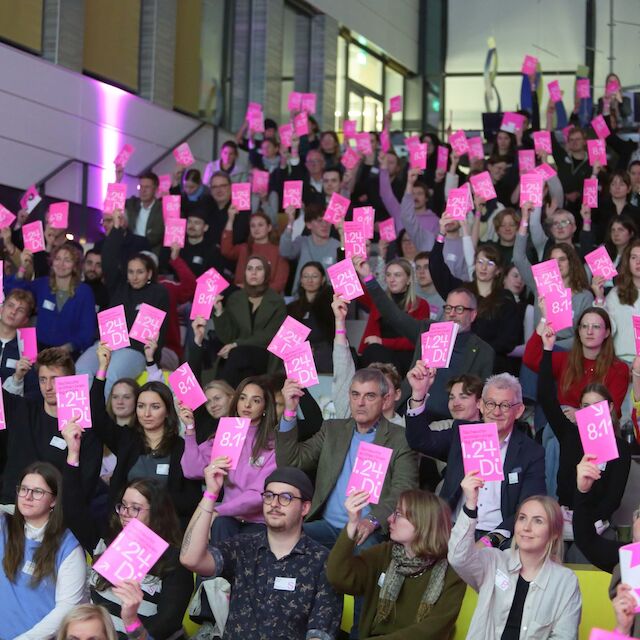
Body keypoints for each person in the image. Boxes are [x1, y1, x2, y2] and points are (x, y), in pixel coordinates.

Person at [62, 420, 193, 640]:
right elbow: (73, 509)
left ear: (157, 512)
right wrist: (73, 454)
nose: (125, 513)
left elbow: (166, 624)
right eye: (123, 506)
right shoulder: (105, 541)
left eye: (136, 508)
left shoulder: (175, 561)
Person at [180, 465, 343, 639]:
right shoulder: (243, 547)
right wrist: (211, 494)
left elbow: (319, 635)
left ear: (305, 508)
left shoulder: (323, 562)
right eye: (269, 496)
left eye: (286, 497)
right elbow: (190, 558)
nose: (274, 503)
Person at [276, 367, 419, 549]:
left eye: (370, 396)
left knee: (356, 566)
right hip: (327, 525)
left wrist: (372, 521)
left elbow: (404, 490)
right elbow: (290, 462)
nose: (360, 402)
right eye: (355, 394)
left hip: (369, 529)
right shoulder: (332, 430)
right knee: (283, 537)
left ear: (384, 401)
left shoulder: (400, 438)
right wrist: (289, 412)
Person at [406, 368, 546, 545]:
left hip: (499, 537)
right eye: (490, 404)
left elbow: (530, 505)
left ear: (518, 411)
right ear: (480, 405)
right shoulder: (462, 434)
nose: (496, 412)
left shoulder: (531, 452)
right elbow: (420, 441)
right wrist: (418, 395)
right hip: (454, 529)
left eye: (505, 405)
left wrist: (491, 539)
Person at [356, 254, 495, 419]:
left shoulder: (484, 352)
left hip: (449, 422)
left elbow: (483, 399)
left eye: (459, 309)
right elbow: (393, 315)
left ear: (473, 315)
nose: (452, 314)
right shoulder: (428, 330)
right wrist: (369, 279)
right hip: (410, 413)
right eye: (449, 308)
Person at [448, 472, 581, 639]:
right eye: (522, 518)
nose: (526, 527)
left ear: (554, 533)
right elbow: (457, 557)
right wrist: (470, 503)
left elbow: (565, 637)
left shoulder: (565, 581)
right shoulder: (494, 560)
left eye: (538, 521)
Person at [537, 324, 630, 561]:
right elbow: (546, 398)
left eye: (597, 406)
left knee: (581, 557)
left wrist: (586, 522)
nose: (591, 412)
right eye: (585, 407)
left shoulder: (619, 448)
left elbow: (613, 498)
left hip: (595, 524)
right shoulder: (569, 434)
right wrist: (547, 349)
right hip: (563, 519)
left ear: (609, 408)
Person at [327, 489, 466, 640]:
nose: (390, 519)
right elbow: (339, 577)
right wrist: (352, 524)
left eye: (398, 514)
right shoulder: (384, 553)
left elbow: (434, 630)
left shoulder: (451, 571)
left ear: (422, 522)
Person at [89, 343, 201, 525]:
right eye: (141, 406)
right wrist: (102, 369)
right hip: (125, 527)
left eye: (155, 407)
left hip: (165, 530)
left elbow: (191, 499)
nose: (146, 413)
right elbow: (97, 416)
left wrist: (151, 508)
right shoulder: (127, 439)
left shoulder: (180, 447)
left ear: (167, 411)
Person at [76, 216, 170, 397]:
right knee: (81, 369)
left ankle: (98, 420)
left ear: (149, 273)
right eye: (131, 272)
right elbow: (109, 258)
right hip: (108, 344)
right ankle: (79, 420)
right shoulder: (119, 287)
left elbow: (151, 334)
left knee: (110, 376)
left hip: (136, 350)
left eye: (140, 272)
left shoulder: (159, 292)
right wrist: (117, 230)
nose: (134, 277)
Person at [0, 347, 102, 505]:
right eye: (42, 379)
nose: (47, 387)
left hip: (55, 516)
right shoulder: (22, 409)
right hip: (9, 506)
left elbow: (85, 486)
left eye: (55, 379)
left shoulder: (84, 429)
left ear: (71, 380)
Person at [181, 376, 278, 542]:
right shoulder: (228, 433)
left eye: (255, 400)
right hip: (227, 518)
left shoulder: (272, 443)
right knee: (219, 525)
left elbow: (258, 495)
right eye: (242, 398)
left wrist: (219, 511)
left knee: (223, 525)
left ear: (265, 407)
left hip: (258, 521)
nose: (247, 405)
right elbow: (191, 470)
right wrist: (190, 429)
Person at [0, 462, 87, 639]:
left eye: (38, 492)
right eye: (23, 489)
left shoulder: (69, 547)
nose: (28, 496)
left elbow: (67, 608)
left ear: (54, 500)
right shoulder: (4, 526)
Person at [429, 230, 522, 372]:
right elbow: (437, 269)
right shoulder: (462, 291)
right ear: (475, 265)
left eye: (490, 263)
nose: (484, 267)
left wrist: (477, 350)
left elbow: (508, 341)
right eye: (480, 262)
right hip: (457, 360)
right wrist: (441, 234)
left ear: (498, 271)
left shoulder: (505, 299)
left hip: (491, 365)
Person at [193, 255, 287, 386]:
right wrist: (220, 312)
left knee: (238, 355)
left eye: (259, 269)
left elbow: (271, 336)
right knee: (241, 368)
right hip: (237, 357)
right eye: (249, 269)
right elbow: (228, 337)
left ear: (266, 273)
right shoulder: (235, 298)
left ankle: (223, 394)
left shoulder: (277, 302)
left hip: (264, 354)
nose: (253, 272)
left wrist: (237, 344)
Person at [5, 243, 97, 357]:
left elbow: (87, 331)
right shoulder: (43, 284)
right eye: (57, 259)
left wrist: (68, 348)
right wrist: (23, 268)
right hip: (38, 349)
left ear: (75, 266)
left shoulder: (84, 292)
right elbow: (13, 291)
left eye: (67, 260)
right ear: (52, 262)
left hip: (69, 353)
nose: (61, 264)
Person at [357, 257, 430, 377]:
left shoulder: (421, 305)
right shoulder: (379, 301)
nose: (392, 279)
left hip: (406, 356)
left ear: (408, 280)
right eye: (389, 275)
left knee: (376, 350)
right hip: (378, 354)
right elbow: (354, 288)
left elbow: (417, 341)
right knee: (372, 351)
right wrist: (347, 256)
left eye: (397, 275)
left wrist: (382, 342)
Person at [221, 208, 289, 293]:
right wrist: (231, 219)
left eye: (260, 225)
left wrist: (253, 291)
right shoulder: (244, 248)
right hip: (240, 297)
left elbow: (279, 284)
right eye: (253, 226)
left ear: (269, 228)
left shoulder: (279, 251)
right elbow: (226, 250)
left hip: (266, 299)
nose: (256, 229)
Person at [287, 261, 335, 373]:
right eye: (306, 276)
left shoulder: (331, 302)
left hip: (324, 349)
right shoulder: (292, 307)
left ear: (323, 279)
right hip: (299, 352)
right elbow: (288, 338)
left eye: (314, 276)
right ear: (301, 281)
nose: (310, 280)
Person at [0, 287, 37, 394]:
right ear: (1, 309)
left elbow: (31, 390)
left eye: (20, 310)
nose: (13, 312)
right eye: (10, 305)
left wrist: (18, 378)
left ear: (25, 319)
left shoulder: (28, 347)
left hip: (11, 406)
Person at [125, 171, 164, 256]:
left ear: (156, 189)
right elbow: (114, 202)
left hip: (150, 253)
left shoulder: (161, 209)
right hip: (130, 251)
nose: (143, 190)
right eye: (141, 187)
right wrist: (118, 180)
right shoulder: (133, 203)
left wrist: (133, 244)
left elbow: (155, 237)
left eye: (147, 187)